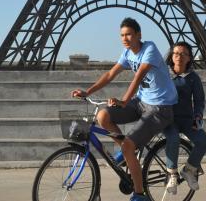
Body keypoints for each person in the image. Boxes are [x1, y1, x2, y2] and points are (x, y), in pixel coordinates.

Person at [71, 18, 177, 201]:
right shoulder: (128, 53)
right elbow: (110, 74)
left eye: (128, 34)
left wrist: (124, 101)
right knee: (103, 115)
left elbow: (139, 77)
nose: (125, 38)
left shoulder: (149, 49)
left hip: (160, 107)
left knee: (127, 146)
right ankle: (129, 152)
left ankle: (139, 194)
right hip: (142, 102)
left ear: (138, 35)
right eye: (122, 35)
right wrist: (87, 91)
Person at [163, 42, 206, 195]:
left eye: (184, 54)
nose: (179, 57)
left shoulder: (193, 78)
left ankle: (189, 170)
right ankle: (171, 174)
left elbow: (199, 101)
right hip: (168, 119)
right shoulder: (163, 75)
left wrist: (198, 118)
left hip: (187, 120)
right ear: (171, 55)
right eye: (176, 53)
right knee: (174, 138)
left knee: (203, 140)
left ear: (189, 58)